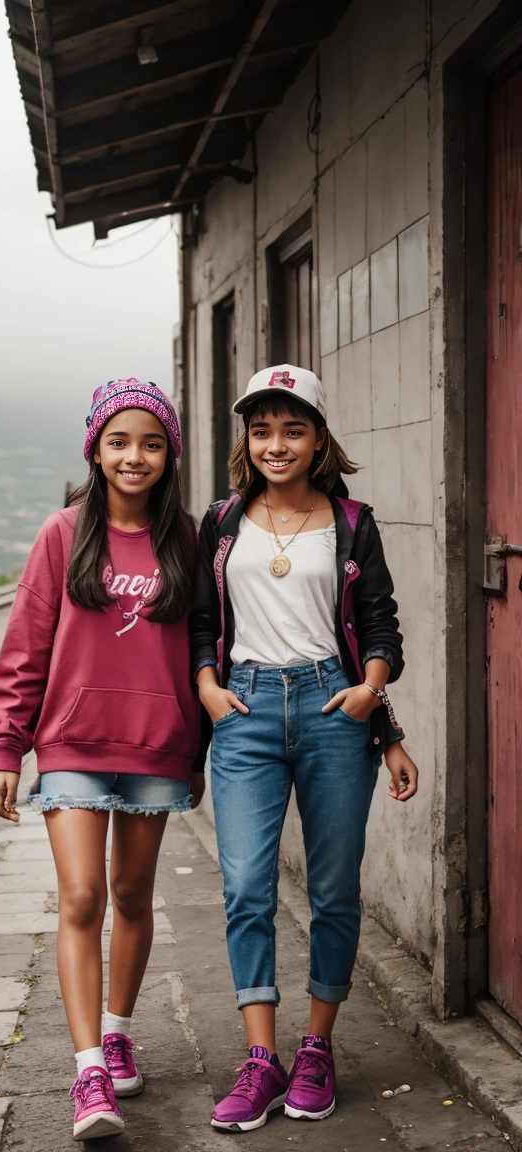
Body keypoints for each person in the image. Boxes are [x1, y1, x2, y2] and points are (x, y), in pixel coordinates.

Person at [190, 364, 419, 1133]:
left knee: (333, 890)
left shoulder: (353, 522)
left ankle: (316, 1047)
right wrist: (207, 687)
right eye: (262, 430)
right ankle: (261, 1060)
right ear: (247, 441)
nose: (276, 444)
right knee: (247, 887)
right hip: (245, 713)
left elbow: (379, 624)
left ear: (319, 437)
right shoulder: (222, 523)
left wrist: (372, 697)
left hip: (332, 710)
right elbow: (199, 622)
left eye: (293, 429)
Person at [0, 379, 205, 1141]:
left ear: (169, 450)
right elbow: (26, 645)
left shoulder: (186, 538)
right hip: (75, 744)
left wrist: (199, 749)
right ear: (95, 448)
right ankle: (88, 1073)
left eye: (150, 441)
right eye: (119, 441)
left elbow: (206, 649)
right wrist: (7, 745)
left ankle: (117, 1031)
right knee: (81, 897)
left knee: (133, 896)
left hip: (157, 747)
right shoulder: (63, 533)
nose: (134, 456)